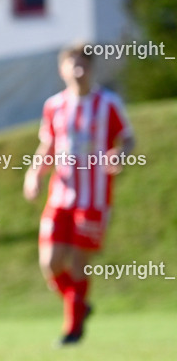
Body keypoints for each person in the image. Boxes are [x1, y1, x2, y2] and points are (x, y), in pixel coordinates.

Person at [23, 44, 134, 345]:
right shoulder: (54, 105)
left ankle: (73, 329)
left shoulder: (108, 103)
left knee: (78, 263)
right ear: (62, 70)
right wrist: (34, 175)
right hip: (60, 195)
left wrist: (120, 154)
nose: (78, 70)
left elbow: (127, 138)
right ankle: (80, 304)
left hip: (93, 198)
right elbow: (48, 146)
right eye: (72, 64)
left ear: (92, 68)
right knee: (50, 263)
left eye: (84, 64)